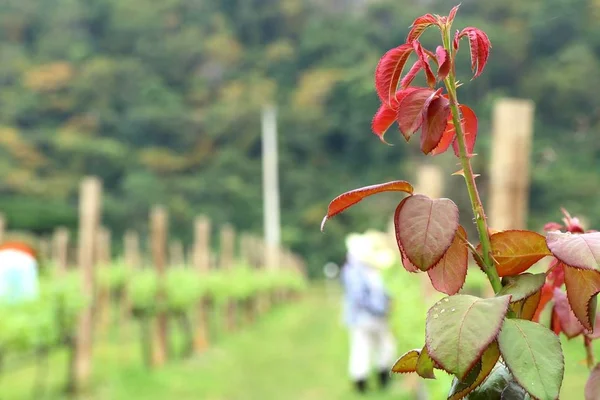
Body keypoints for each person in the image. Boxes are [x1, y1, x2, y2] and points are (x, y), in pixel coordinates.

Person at [340, 230, 398, 394]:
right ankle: (363, 384)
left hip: (374, 317)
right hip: (364, 317)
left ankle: (379, 381)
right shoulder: (355, 271)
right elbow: (359, 297)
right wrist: (380, 308)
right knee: (363, 348)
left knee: (383, 347)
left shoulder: (373, 271)